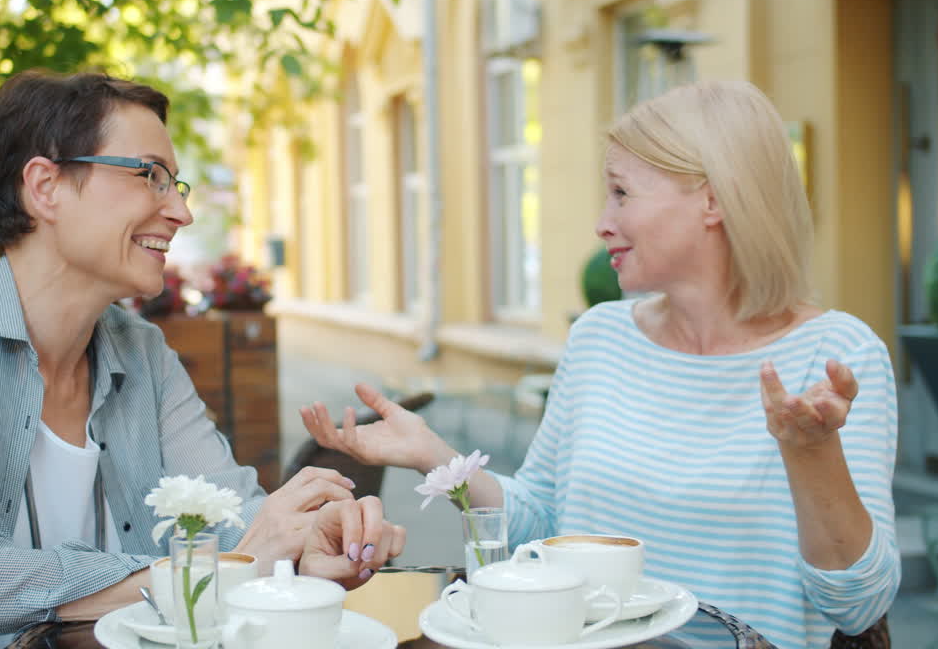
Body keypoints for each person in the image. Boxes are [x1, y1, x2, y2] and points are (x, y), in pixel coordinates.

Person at [0, 70, 404, 649]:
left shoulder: (141, 350)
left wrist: (305, 540)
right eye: (151, 175)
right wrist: (214, 571)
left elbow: (229, 514)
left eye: (176, 183)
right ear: (44, 187)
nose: (180, 211)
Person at [301, 80, 900, 648]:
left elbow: (858, 606)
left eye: (621, 192)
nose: (601, 221)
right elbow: (543, 524)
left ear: (713, 199)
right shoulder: (600, 337)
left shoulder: (836, 357)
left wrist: (812, 454)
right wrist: (434, 455)